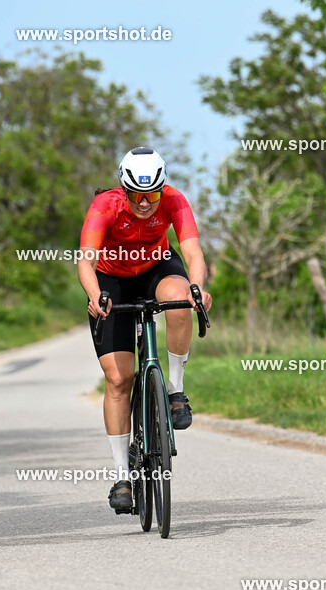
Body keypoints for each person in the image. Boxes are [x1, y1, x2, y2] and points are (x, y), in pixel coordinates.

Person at [77, 147, 212, 513]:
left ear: (161, 188)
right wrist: (95, 296)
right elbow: (85, 261)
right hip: (111, 278)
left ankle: (176, 391)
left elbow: (193, 252)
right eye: (136, 196)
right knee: (119, 380)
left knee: (182, 300)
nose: (144, 203)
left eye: (152, 195)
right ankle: (122, 476)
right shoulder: (105, 205)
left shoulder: (174, 200)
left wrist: (198, 288)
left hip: (155, 266)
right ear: (124, 190)